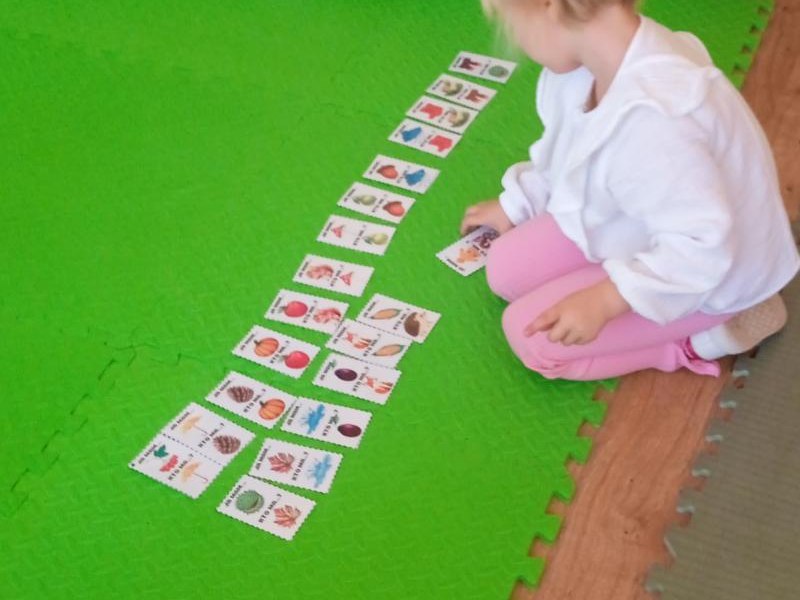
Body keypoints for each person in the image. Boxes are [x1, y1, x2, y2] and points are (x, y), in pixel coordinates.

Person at [461, 0, 799, 380]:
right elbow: (569, 157)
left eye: (510, 23)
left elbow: (701, 249)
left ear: (550, 5)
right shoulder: (593, 61)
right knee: (504, 269)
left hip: (713, 275)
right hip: (642, 220)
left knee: (533, 339)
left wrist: (606, 300)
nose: (517, 41)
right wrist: (519, 202)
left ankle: (702, 339)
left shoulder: (655, 125)